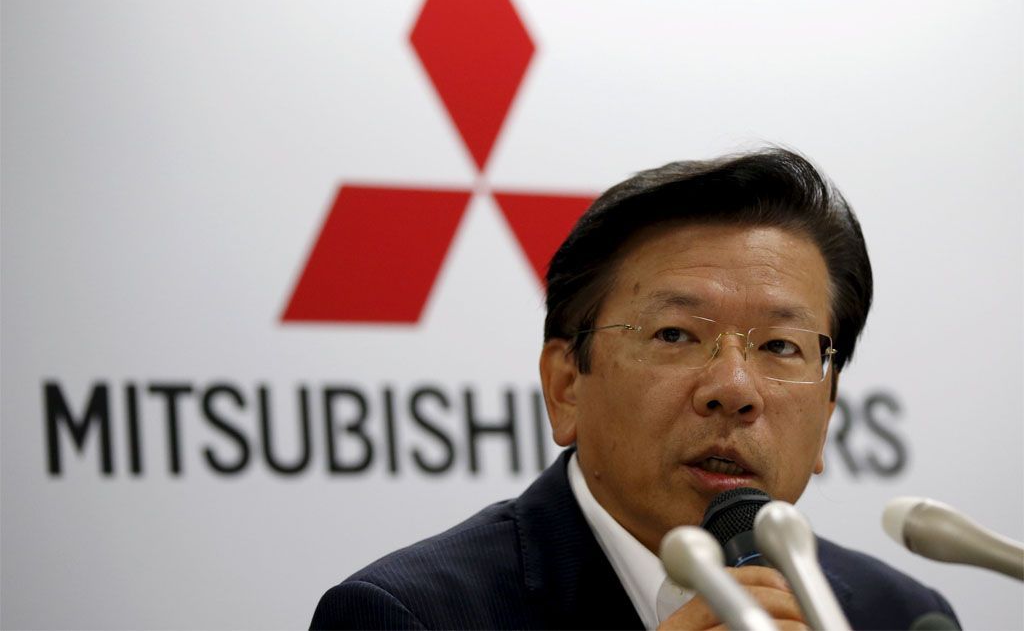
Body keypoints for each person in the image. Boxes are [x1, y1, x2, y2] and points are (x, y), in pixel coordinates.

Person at [310, 148, 958, 630]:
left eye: (780, 347)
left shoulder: (897, 615)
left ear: (828, 411)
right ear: (566, 386)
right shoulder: (406, 616)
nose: (734, 388)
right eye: (675, 334)